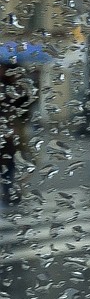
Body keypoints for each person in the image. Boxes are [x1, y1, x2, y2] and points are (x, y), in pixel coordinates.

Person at [0, 65, 33, 210]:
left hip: (11, 137)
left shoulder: (15, 88)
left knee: (10, 167)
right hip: (9, 136)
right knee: (8, 167)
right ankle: (10, 194)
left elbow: (25, 108)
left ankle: (11, 194)